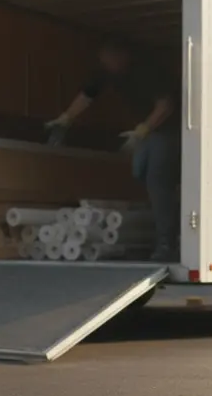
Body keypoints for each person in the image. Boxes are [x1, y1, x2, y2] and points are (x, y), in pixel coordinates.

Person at [44, 37, 181, 262]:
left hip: (171, 129)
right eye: (103, 60)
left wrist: (143, 130)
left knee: (157, 180)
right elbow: (88, 94)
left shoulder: (147, 70)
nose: (107, 65)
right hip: (147, 130)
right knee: (140, 172)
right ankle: (171, 200)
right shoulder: (108, 72)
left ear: (123, 56)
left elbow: (166, 105)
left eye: (110, 60)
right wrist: (66, 118)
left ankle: (167, 243)